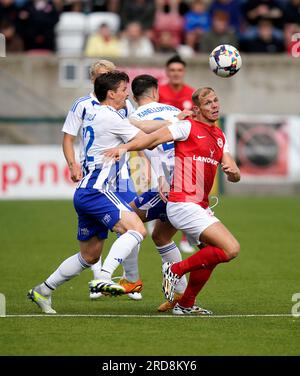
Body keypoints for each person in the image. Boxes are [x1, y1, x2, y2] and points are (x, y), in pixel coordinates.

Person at [104, 87, 241, 315]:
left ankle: (185, 304)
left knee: (211, 254)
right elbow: (151, 140)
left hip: (200, 205)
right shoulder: (186, 127)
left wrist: (233, 172)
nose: (215, 105)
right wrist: (124, 147)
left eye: (216, 100)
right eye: (208, 103)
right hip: (182, 203)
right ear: (196, 110)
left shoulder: (220, 137)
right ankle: (175, 270)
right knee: (231, 248)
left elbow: (233, 171)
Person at [27, 71, 148, 314]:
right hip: (98, 190)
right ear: (111, 93)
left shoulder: (97, 112)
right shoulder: (110, 117)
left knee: (90, 255)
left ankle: (43, 290)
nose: (128, 93)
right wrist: (176, 130)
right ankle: (105, 277)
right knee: (137, 229)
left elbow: (141, 129)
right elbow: (147, 139)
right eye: (124, 89)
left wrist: (171, 124)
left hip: (84, 192)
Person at [56, 59, 142, 301]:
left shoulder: (123, 104)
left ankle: (129, 277)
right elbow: (68, 138)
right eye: (102, 75)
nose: (107, 79)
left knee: (130, 225)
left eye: (110, 75)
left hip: (121, 176)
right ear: (94, 80)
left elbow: (136, 130)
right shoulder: (82, 105)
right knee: (102, 229)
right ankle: (100, 281)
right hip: (97, 174)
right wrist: (72, 163)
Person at [159, 54, 195, 254]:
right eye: (172, 70)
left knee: (188, 190)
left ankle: (186, 235)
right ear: (167, 72)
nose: (175, 74)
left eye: (179, 70)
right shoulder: (159, 93)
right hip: (161, 148)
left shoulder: (191, 93)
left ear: (184, 72)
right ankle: (158, 219)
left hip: (185, 149)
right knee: (161, 187)